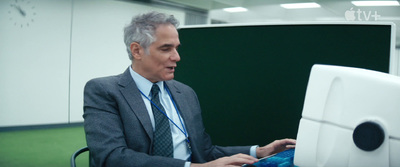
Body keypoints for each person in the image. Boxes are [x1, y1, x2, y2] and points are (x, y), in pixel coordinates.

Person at [83, 11, 295, 167]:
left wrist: (258, 151)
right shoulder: (104, 90)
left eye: (176, 48)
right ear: (137, 51)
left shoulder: (184, 93)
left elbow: (204, 151)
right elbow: (111, 157)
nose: (177, 57)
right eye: (166, 49)